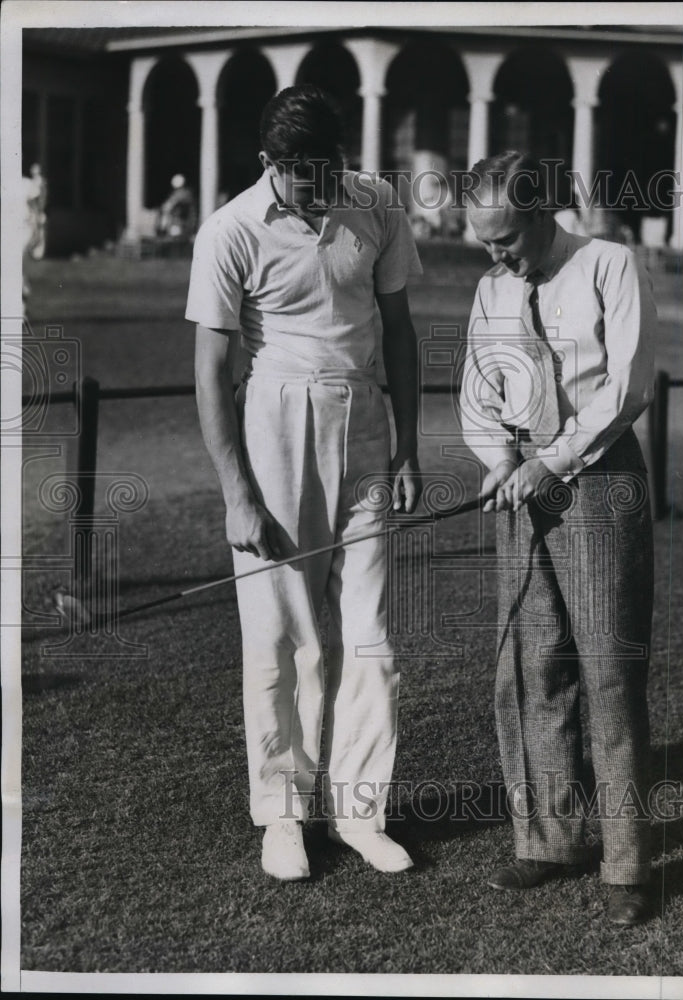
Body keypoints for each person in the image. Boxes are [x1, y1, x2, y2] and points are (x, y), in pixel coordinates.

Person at [186, 85, 422, 881]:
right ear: (269, 164)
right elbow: (211, 371)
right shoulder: (230, 230)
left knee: (371, 635)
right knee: (285, 637)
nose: (322, 189)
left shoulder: (376, 203)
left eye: (333, 168)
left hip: (366, 424)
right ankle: (284, 815)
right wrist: (236, 492)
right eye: (305, 175)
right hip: (277, 423)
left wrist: (411, 446)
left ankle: (360, 814)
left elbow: (399, 329)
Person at [460, 151, 657, 926]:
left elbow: (627, 385)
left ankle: (626, 864)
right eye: (484, 242)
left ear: (544, 213)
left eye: (505, 239)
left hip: (600, 479)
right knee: (529, 666)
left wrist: (554, 459)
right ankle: (549, 840)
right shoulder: (490, 287)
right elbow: (479, 386)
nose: (496, 255)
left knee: (608, 672)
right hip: (522, 486)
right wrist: (500, 460)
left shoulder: (610, 264)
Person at [157, 174, 197, 239]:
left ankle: (162, 231)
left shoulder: (183, 195)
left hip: (180, 225)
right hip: (184, 225)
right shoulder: (186, 194)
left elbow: (167, 207)